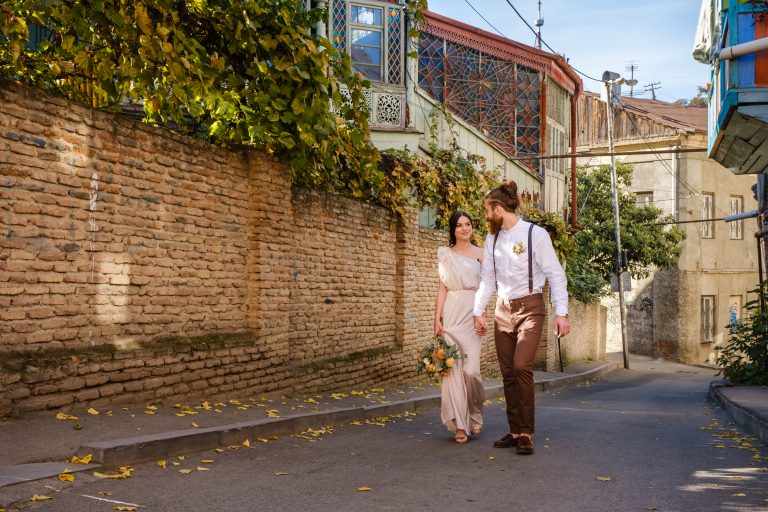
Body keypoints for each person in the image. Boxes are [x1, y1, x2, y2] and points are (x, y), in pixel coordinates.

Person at [472, 180, 570, 455]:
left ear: (499, 209)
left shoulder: (534, 235)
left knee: (520, 366)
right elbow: (488, 280)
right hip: (503, 310)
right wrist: (477, 311)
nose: (486, 216)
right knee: (507, 374)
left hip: (530, 308)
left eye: (488, 211)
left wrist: (562, 313)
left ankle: (527, 432)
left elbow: (555, 274)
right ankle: (514, 431)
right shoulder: (492, 239)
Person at [434, 211, 485, 444]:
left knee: (471, 371)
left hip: (473, 315)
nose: (464, 228)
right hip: (452, 316)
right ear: (453, 230)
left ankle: (474, 415)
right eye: (459, 225)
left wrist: (481, 315)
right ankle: (459, 426)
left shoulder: (481, 255)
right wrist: (437, 319)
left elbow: (487, 288)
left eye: (468, 224)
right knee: (453, 371)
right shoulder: (446, 255)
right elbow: (442, 288)